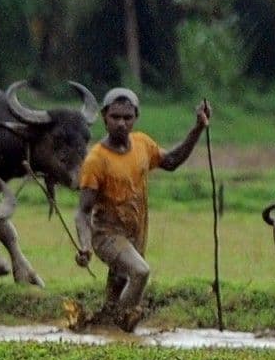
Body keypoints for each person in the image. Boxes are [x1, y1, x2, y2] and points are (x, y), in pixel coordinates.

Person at [73, 88, 211, 332]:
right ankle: (117, 328)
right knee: (140, 272)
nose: (121, 123)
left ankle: (100, 330)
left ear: (136, 117)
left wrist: (198, 128)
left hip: (136, 233)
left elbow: (171, 161)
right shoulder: (96, 160)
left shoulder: (143, 144)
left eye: (127, 117)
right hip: (107, 235)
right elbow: (83, 210)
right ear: (105, 117)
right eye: (115, 117)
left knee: (120, 283)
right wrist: (84, 245)